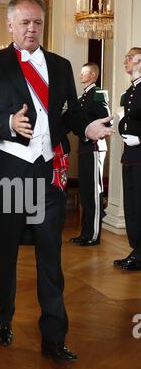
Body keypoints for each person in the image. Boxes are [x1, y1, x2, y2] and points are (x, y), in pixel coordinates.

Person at [0, 0, 114, 362]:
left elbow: (70, 115)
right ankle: (3, 319)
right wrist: (6, 124)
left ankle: (54, 337)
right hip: (7, 173)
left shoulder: (60, 66)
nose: (32, 29)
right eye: (25, 23)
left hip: (48, 174)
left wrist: (88, 126)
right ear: (10, 26)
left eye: (37, 23)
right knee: (4, 253)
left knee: (51, 257)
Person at [70, 63, 110, 246]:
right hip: (84, 147)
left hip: (94, 147)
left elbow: (106, 121)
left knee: (94, 192)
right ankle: (85, 233)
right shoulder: (82, 97)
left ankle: (93, 235)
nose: (80, 75)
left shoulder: (98, 93)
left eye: (83, 72)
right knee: (85, 192)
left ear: (93, 75)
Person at [114, 48, 141, 271]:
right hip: (130, 155)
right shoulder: (131, 90)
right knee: (131, 205)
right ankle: (136, 249)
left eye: (131, 57)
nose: (126, 60)